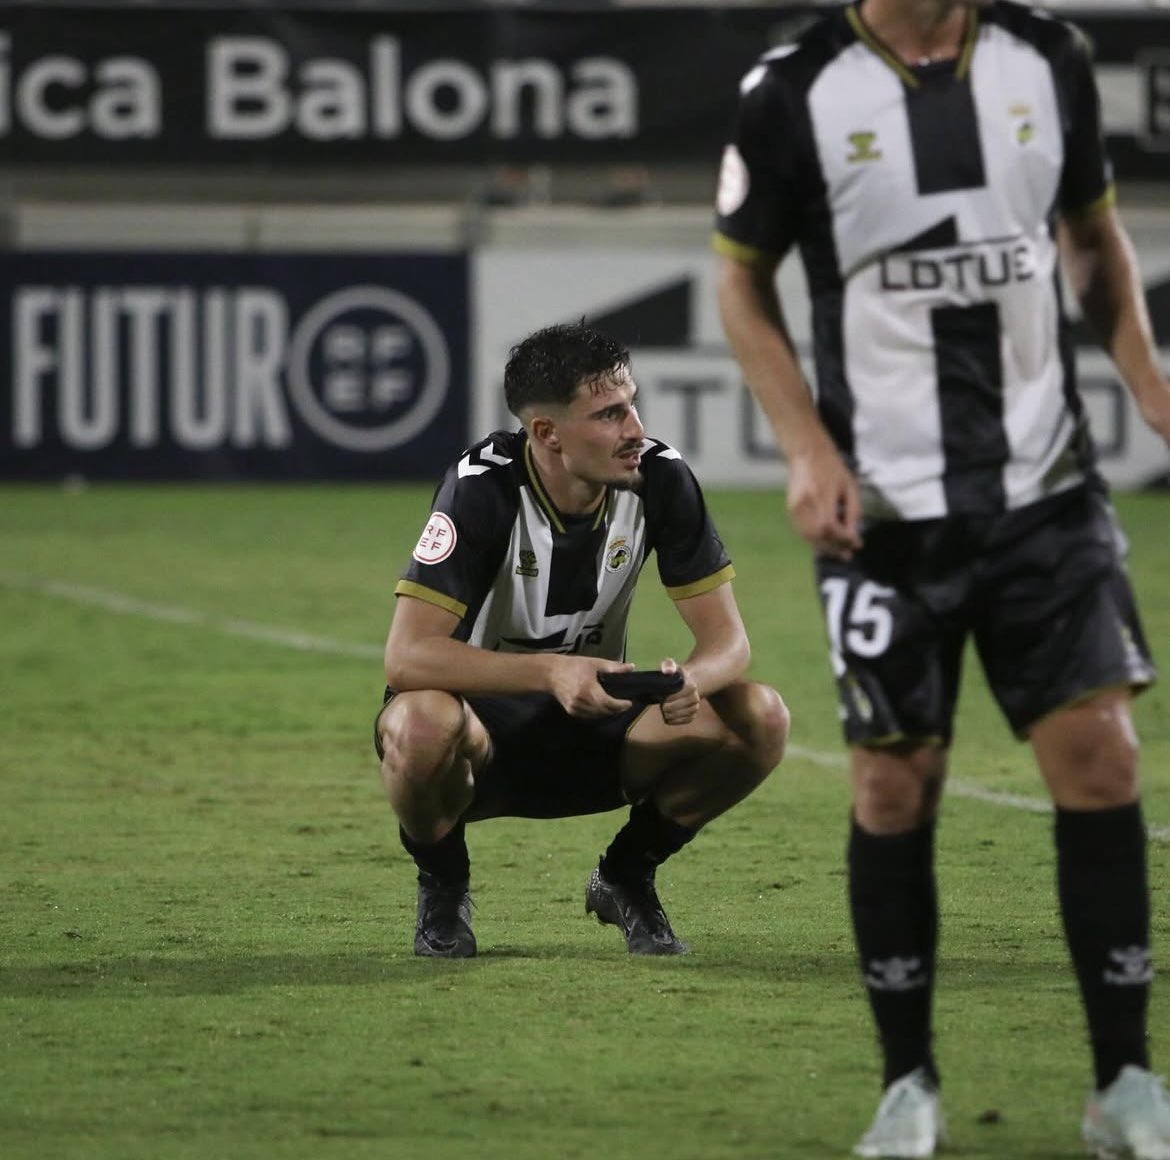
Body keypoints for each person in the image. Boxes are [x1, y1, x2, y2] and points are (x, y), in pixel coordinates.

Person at [713, 0, 1170, 1156]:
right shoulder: (792, 88)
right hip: (886, 514)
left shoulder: (1047, 55)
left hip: (1045, 492)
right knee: (892, 787)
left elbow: (1090, 237)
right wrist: (808, 447)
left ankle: (1125, 1084)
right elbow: (742, 282)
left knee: (1102, 759)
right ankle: (906, 1084)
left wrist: (1149, 380)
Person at [374, 320, 790, 961]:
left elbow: (729, 643)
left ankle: (626, 875)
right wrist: (551, 673)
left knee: (759, 717)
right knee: (419, 724)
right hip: (477, 738)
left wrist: (693, 683)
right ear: (546, 433)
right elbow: (407, 658)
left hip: (598, 725)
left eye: (632, 404)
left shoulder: (662, 478)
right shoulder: (482, 487)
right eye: (609, 414)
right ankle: (443, 886)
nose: (635, 430)